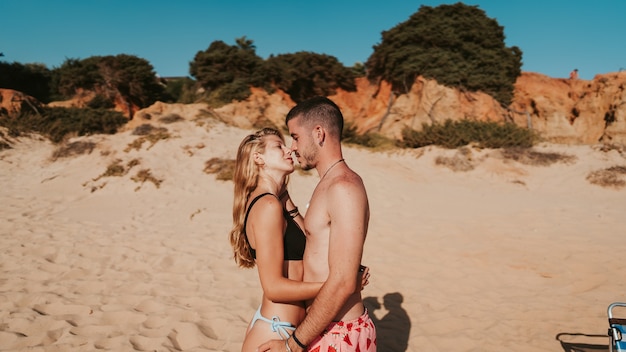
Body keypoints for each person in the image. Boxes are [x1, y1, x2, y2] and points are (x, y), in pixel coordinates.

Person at [229, 128, 369, 352]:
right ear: (258, 158)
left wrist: (285, 197)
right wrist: (339, 285)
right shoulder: (267, 206)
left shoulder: (275, 201)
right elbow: (274, 288)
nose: (289, 150)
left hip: (284, 327)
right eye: (278, 146)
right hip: (276, 330)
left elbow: (311, 240)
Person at [259, 97, 377, 352]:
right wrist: (282, 195)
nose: (292, 147)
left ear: (319, 133)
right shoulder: (328, 183)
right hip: (321, 326)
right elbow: (315, 240)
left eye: (295, 137)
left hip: (340, 332)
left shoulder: (343, 187)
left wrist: (292, 345)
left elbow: (344, 281)